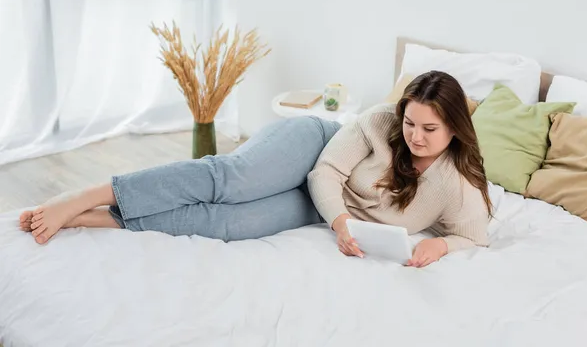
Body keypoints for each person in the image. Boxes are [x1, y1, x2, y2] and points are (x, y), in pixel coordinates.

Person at [20, 70, 492, 268]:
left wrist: (439, 244)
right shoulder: (378, 121)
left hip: (319, 208)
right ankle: (84, 196)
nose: (415, 135)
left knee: (229, 223)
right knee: (232, 179)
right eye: (411, 122)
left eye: (430, 129)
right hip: (315, 153)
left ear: (455, 128)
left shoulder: (456, 182)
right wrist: (342, 221)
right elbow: (326, 172)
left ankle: (96, 218)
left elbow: (474, 236)